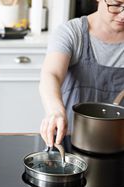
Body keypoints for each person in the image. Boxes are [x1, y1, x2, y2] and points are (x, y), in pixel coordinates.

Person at [39, 0, 124, 147]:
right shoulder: (72, 32)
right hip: (70, 139)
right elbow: (51, 74)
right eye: (116, 5)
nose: (123, 15)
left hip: (118, 142)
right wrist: (55, 111)